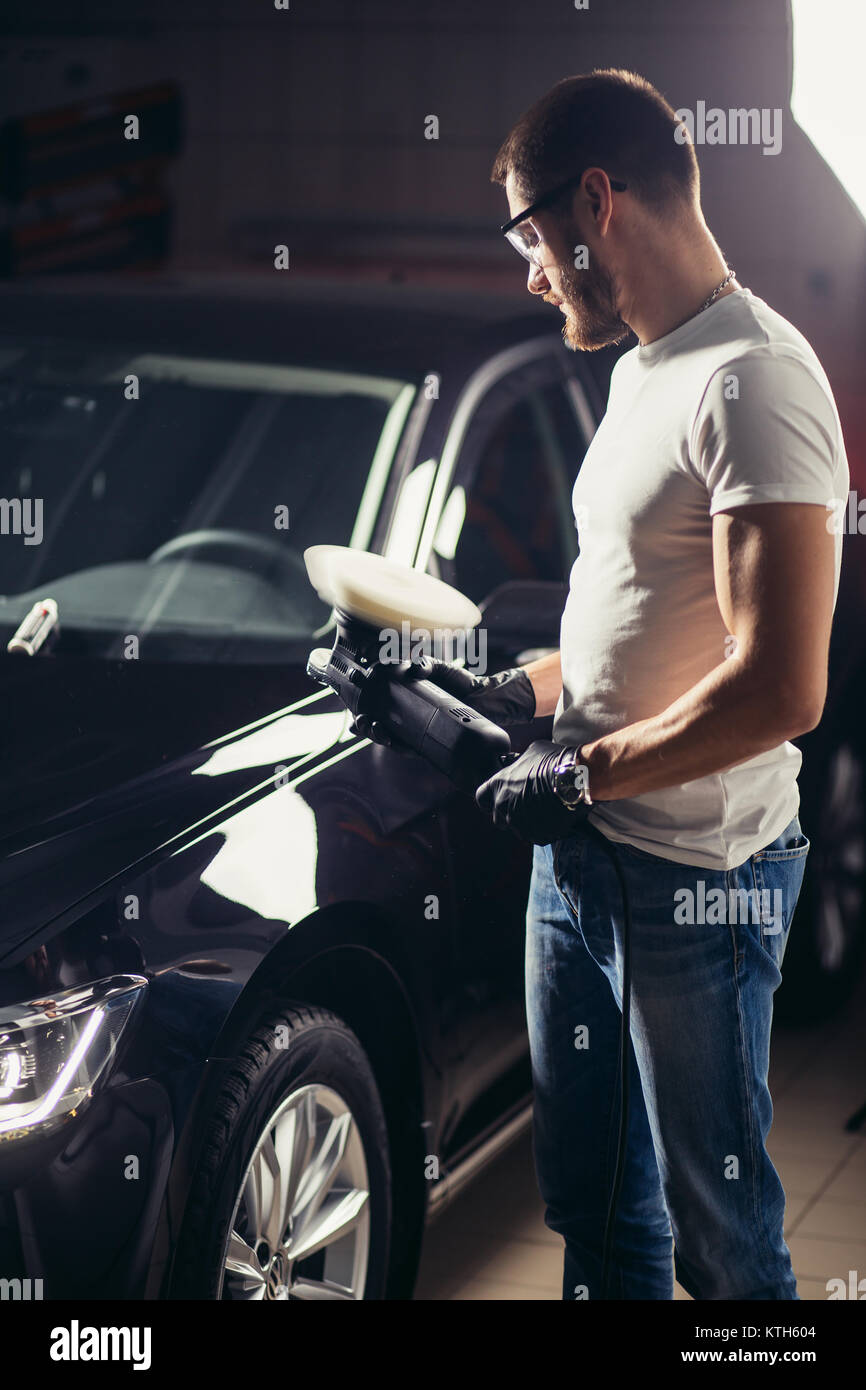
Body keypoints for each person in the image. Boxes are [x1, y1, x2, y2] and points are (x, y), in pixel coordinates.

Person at [422, 68, 849, 1300]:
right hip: (582, 865)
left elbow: (778, 686)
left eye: (527, 237)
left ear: (592, 200)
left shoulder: (752, 382)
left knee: (721, 1240)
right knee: (597, 1211)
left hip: (695, 882)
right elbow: (636, 621)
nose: (530, 272)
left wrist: (581, 771)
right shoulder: (639, 370)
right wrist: (519, 691)